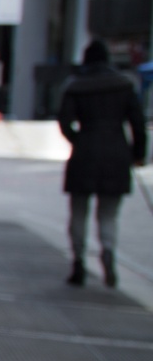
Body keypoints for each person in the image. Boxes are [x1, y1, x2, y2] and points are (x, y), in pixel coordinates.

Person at [58, 39, 146, 287]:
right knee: (108, 214)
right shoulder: (123, 84)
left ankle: (78, 261)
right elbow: (138, 124)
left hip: (84, 151)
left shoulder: (76, 86)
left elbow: (64, 122)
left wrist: (78, 140)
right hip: (116, 152)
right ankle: (107, 250)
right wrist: (137, 153)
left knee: (78, 211)